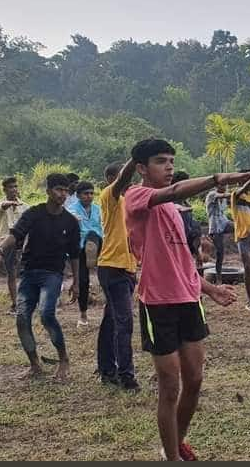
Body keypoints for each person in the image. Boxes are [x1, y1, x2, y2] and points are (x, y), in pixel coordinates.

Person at [123, 138, 249, 461]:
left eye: (171, 161)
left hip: (188, 301)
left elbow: (183, 263)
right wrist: (217, 179)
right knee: (170, 386)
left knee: (194, 379)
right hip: (157, 303)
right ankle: (173, 458)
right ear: (141, 168)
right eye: (161, 161)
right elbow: (176, 191)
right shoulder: (137, 196)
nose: (169, 167)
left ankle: (174, 444)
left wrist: (210, 289)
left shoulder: (174, 213)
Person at [0, 173, 81, 382]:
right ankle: (35, 364)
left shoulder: (70, 222)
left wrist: (77, 281)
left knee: (47, 314)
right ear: (48, 191)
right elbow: (15, 234)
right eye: (58, 190)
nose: (62, 194)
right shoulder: (34, 213)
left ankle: (63, 360)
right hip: (29, 273)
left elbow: (74, 255)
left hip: (53, 274)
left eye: (65, 190)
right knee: (22, 317)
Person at [96, 161, 140, 391]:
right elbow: (123, 179)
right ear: (110, 179)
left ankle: (106, 369)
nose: (127, 183)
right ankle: (126, 376)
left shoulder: (128, 204)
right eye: (123, 179)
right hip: (113, 267)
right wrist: (135, 158)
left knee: (112, 320)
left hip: (126, 268)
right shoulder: (109, 198)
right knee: (124, 322)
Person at [67, 181, 103, 327]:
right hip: (80, 247)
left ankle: (93, 253)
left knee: (94, 235)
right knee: (83, 281)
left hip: (98, 243)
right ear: (78, 195)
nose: (89, 196)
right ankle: (83, 314)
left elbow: (103, 227)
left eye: (91, 193)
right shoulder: (72, 209)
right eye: (85, 194)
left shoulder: (97, 209)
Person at [0, 177, 30, 315]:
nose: (14, 189)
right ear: (4, 189)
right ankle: (15, 304)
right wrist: (9, 203)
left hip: (23, 243)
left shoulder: (25, 206)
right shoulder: (0, 204)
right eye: (10, 187)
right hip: (6, 242)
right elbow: (2, 206)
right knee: (12, 273)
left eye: (15, 186)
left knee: (26, 272)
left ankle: (25, 301)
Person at [230, 171, 250, 310]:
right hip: (242, 234)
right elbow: (241, 190)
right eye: (248, 180)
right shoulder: (235, 195)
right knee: (248, 267)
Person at [172, 171, 203, 267]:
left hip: (187, 249)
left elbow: (191, 232)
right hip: (176, 249)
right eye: (187, 184)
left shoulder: (186, 204)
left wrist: (197, 253)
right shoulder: (170, 204)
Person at [204, 182, 233, 283]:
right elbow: (224, 195)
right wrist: (235, 194)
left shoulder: (224, 199)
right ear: (216, 186)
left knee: (239, 226)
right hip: (215, 227)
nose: (224, 187)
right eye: (222, 185)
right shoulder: (212, 194)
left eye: (225, 185)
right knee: (220, 253)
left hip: (224, 222)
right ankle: (218, 277)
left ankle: (246, 242)